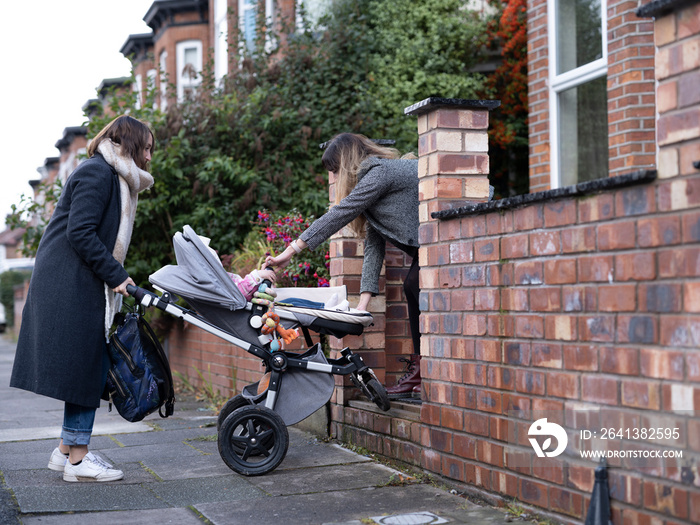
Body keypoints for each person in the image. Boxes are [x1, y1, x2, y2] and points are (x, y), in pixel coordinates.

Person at [10, 115, 155, 482]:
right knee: (86, 365)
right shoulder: (97, 173)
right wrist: (117, 275)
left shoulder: (108, 174)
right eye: (148, 148)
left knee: (85, 364)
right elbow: (81, 232)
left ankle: (65, 450)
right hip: (70, 281)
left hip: (76, 279)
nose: (151, 157)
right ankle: (79, 459)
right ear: (130, 144)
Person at [265, 132, 421, 399]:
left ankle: (422, 371)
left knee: (414, 285)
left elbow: (340, 213)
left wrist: (290, 251)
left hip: (454, 231)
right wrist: (362, 305)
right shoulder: (377, 184)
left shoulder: (379, 173)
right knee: (413, 285)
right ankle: (422, 370)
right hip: (431, 245)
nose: (335, 179)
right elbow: (374, 247)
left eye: (335, 171)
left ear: (347, 163)